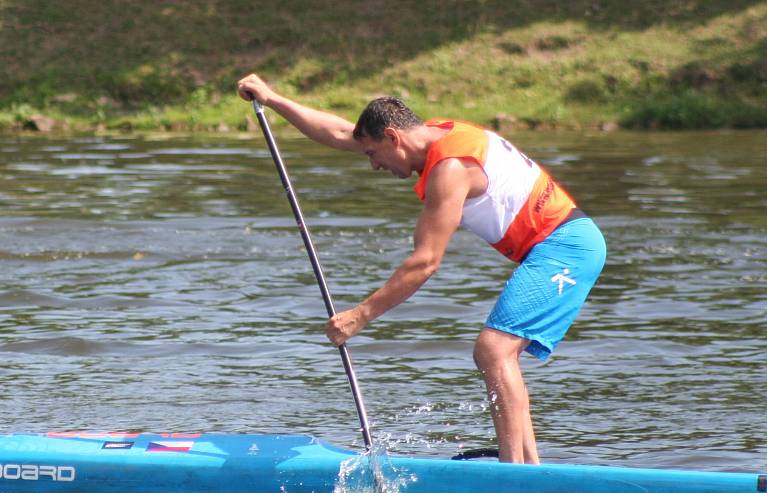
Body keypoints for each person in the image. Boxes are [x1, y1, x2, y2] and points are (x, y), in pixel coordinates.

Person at [237, 73, 606, 464]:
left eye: (373, 155)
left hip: (566, 247)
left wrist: (359, 316)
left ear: (394, 138)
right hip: (557, 245)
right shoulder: (435, 132)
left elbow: (425, 262)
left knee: (494, 350)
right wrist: (273, 99)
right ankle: (527, 467)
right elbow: (344, 133)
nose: (373, 166)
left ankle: (516, 472)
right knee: (498, 353)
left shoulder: (450, 169)